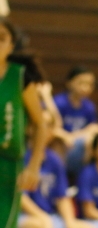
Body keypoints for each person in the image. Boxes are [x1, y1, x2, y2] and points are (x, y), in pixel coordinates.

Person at [1, 19, 47, 228]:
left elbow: (40, 124)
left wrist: (34, 166)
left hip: (9, 166)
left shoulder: (20, 76)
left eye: (1, 38)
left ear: (11, 45)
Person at [18, 111, 93, 228]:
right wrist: (41, 216)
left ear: (52, 132)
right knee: (39, 225)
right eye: (38, 123)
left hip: (50, 216)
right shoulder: (20, 157)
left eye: (47, 125)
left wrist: (69, 221)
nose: (42, 129)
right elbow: (21, 197)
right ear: (29, 127)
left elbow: (62, 197)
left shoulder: (55, 160)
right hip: (24, 215)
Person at [52, 67, 98, 174]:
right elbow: (52, 128)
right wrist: (66, 137)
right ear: (69, 83)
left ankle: (84, 175)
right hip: (62, 146)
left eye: (89, 84)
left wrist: (74, 136)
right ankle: (60, 174)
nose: (85, 87)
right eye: (81, 83)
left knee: (91, 139)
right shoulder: (59, 103)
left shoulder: (89, 106)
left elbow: (95, 128)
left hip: (78, 145)